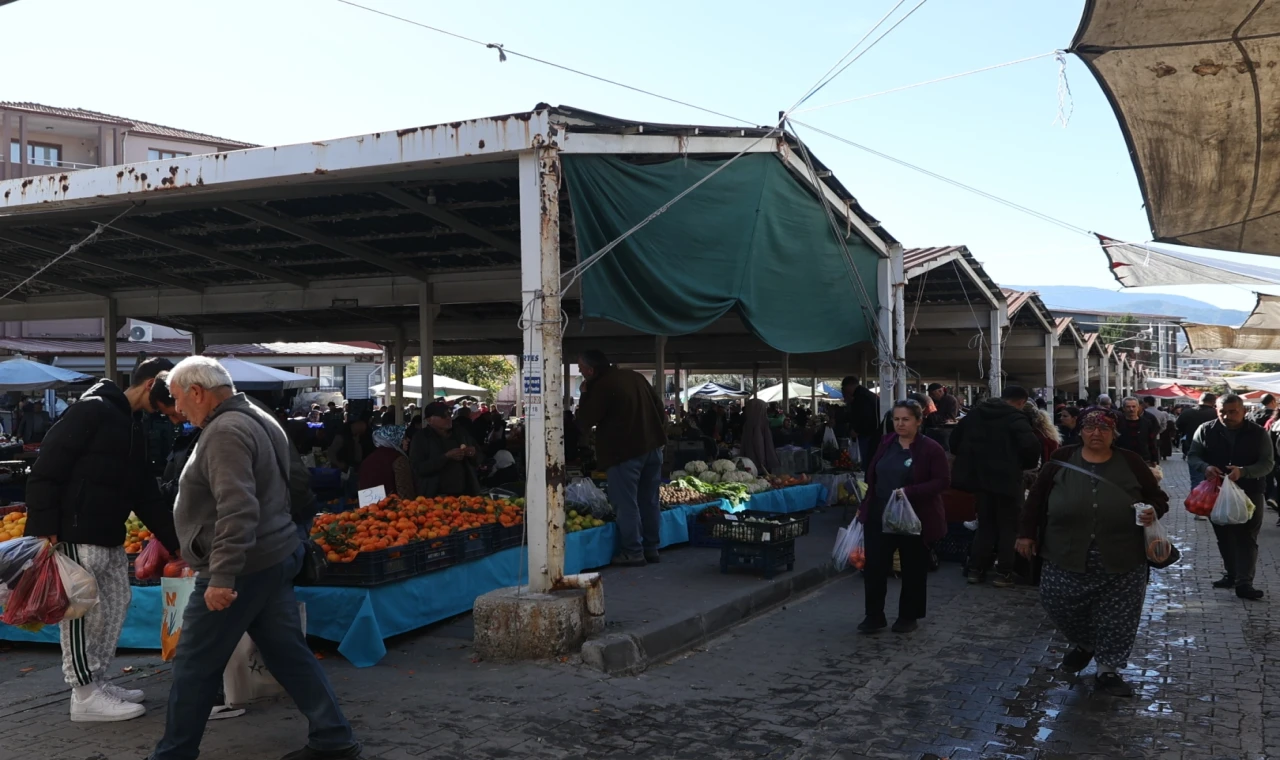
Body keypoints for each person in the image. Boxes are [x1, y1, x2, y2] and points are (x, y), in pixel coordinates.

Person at [146, 357, 358, 760]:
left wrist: (223, 577)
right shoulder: (257, 416)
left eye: (177, 399)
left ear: (197, 391)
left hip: (241, 566)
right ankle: (334, 738)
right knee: (287, 653)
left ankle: (172, 754)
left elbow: (238, 508)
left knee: (195, 665)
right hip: (272, 554)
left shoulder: (225, 431)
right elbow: (297, 483)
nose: (177, 410)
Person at [24, 358, 180, 723]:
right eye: (171, 393)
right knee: (83, 612)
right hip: (76, 533)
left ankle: (97, 680)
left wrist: (173, 540)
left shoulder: (131, 427)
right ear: (151, 385)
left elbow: (145, 494)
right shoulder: (92, 410)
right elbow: (48, 466)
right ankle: (83, 693)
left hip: (108, 534)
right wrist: (44, 526)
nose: (176, 406)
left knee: (114, 604)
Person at [1016, 407, 1169, 697]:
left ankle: (1108, 669)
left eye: (1104, 428)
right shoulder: (1061, 459)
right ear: (1080, 431)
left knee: (1119, 615)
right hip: (1064, 551)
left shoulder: (1131, 462)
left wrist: (1152, 510)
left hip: (1123, 555)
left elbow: (1157, 498)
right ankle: (1085, 642)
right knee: (1056, 601)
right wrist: (1025, 534)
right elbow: (1036, 500)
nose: (1096, 433)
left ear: (1114, 434)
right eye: (1089, 427)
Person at [857, 399, 950, 635]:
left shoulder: (931, 448)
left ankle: (909, 616)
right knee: (875, 567)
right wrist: (866, 504)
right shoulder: (886, 442)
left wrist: (910, 492)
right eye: (896, 419)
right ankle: (874, 615)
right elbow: (873, 475)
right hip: (880, 512)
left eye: (906, 419)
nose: (900, 424)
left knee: (913, 568)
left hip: (914, 516)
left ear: (919, 421)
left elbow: (942, 481)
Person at [575, 350, 667, 567]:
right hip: (652, 447)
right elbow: (660, 407)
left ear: (590, 370)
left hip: (624, 452)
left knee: (626, 503)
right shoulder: (635, 376)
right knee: (649, 500)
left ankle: (633, 551)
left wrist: (585, 393)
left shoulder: (601, 386)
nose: (579, 372)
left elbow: (585, 419)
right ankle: (651, 548)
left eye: (580, 369)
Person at [950, 385, 1041, 588]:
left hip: (980, 480)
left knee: (985, 525)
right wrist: (1023, 465)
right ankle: (1004, 572)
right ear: (1021, 402)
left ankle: (976, 569)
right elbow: (1032, 446)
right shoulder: (1016, 418)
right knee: (1009, 526)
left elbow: (954, 442)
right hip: (1008, 480)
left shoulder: (974, 415)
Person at [1188, 394, 1271, 600]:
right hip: (1216, 491)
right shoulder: (1206, 430)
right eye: (1222, 411)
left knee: (1246, 536)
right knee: (1223, 535)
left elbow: (1267, 463)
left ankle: (1244, 583)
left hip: (1250, 491)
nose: (1227, 416)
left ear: (1243, 411)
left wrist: (1243, 471)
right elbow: (1193, 455)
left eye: (1233, 411)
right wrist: (1205, 467)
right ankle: (1232, 574)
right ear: (1216, 410)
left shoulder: (1258, 433)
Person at [409, 402, 481, 497]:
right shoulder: (421, 437)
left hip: (464, 493)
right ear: (429, 420)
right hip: (435, 495)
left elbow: (479, 459)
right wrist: (446, 457)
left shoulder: (460, 433)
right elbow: (418, 468)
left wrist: (473, 453)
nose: (448, 418)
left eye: (449, 414)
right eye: (442, 416)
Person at [357, 424, 416, 499]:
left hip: (368, 508)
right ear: (395, 439)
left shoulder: (367, 460)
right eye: (403, 437)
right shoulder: (398, 459)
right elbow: (405, 491)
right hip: (392, 507)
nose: (408, 440)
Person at [739, 398, 780, 475]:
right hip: (760, 464)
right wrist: (762, 462)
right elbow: (759, 444)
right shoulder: (760, 424)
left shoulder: (748, 424)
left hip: (749, 461)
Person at [1115, 397, 1159, 466]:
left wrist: (1154, 459)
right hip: (1123, 459)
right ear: (1123, 408)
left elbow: (1151, 441)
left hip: (1143, 458)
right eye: (1128, 407)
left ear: (1138, 408)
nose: (1131, 409)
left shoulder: (1146, 423)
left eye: (1133, 406)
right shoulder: (1118, 423)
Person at [1176, 393, 1218, 464]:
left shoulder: (1187, 412)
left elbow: (1178, 425)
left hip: (1191, 445)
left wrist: (1187, 432)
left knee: (1195, 470)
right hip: (1213, 447)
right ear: (1213, 402)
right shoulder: (1216, 413)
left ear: (1199, 400)